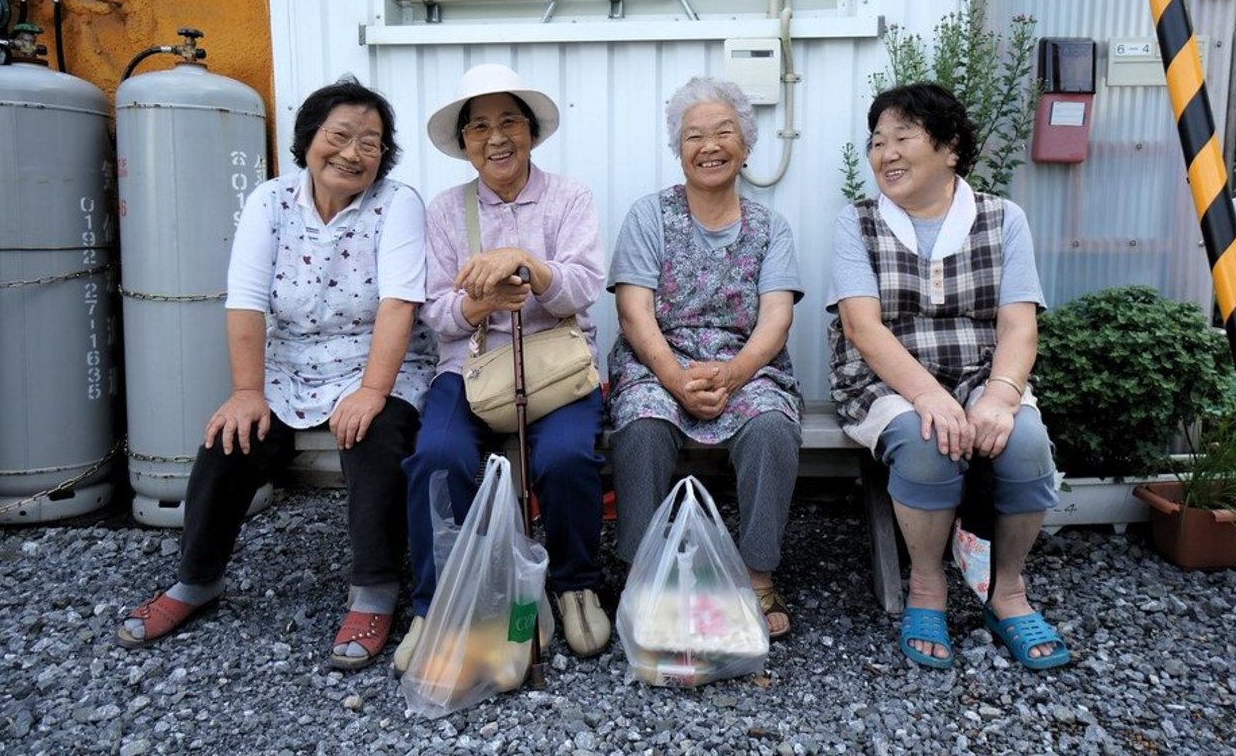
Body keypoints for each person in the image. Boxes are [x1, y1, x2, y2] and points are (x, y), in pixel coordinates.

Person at [116, 78, 437, 671]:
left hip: (378, 364)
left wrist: (371, 391)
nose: (353, 152)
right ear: (308, 138)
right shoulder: (271, 200)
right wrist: (245, 391)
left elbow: (399, 303)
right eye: (339, 135)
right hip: (289, 365)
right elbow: (245, 299)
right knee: (230, 438)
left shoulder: (399, 204)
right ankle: (197, 578)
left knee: (374, 433)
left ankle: (374, 589)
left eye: (371, 142)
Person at [827, 83, 1069, 670]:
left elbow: (1018, 325)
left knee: (1027, 443)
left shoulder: (1003, 218)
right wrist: (929, 396)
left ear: (951, 148)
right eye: (877, 141)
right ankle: (927, 587)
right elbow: (863, 328)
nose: (886, 153)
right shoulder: (857, 223)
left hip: (982, 376)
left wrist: (1002, 395)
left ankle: (1007, 592)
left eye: (903, 137)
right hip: (884, 380)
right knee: (925, 439)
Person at [394, 64, 608, 674]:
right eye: (480, 126)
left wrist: (528, 266)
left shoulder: (570, 197)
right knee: (437, 458)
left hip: (557, 363)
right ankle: (441, 602)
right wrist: (480, 303)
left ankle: (574, 584)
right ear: (464, 143)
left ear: (532, 132)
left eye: (510, 121)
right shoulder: (444, 211)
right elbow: (435, 312)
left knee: (567, 457)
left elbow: (585, 284)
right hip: (471, 365)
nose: (497, 137)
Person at [606, 77, 803, 641]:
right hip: (658, 362)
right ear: (678, 148)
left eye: (724, 133)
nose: (710, 146)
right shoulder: (651, 215)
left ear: (746, 144)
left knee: (770, 426)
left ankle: (757, 574)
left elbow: (776, 317)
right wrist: (674, 377)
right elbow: (634, 312)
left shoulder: (770, 228)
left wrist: (735, 373)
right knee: (641, 424)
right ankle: (645, 578)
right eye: (694, 135)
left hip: (746, 366)